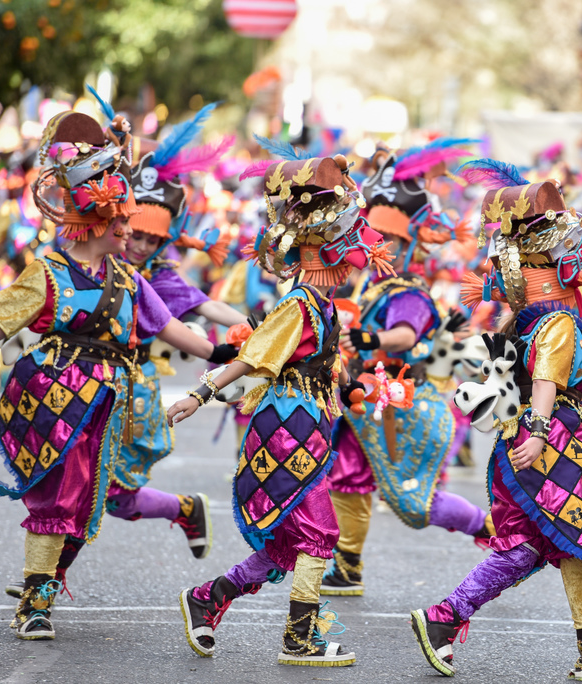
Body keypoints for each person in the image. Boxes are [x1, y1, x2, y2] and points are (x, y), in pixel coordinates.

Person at [0, 109, 234, 640]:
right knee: (56, 500)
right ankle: (35, 604)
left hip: (104, 409)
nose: (131, 231)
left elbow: (176, 330)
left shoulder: (129, 281)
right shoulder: (47, 274)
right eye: (123, 222)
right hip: (49, 403)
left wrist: (231, 352)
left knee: (85, 503)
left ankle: (43, 589)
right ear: (99, 223)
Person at [411, 161, 582, 682]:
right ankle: (447, 617)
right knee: (551, 544)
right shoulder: (556, 321)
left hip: (529, 441)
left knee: (564, 545)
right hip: (550, 441)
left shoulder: (526, 319)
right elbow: (544, 386)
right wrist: (539, 436)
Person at [167, 155, 390, 666]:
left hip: (309, 425)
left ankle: (208, 598)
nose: (363, 253)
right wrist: (198, 394)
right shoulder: (301, 302)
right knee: (319, 534)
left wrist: (355, 390)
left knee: (290, 545)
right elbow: (252, 356)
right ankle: (300, 638)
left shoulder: (325, 305)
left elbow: (320, 366)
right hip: (286, 429)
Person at [323, 139, 493, 597]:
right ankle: (348, 564)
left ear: (407, 244)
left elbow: (404, 337)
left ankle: (490, 526)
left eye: (387, 241)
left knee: (415, 505)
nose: (376, 247)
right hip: (364, 404)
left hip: (401, 410)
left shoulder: (410, 293)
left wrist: (361, 338)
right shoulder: (371, 284)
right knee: (347, 480)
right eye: (372, 238)